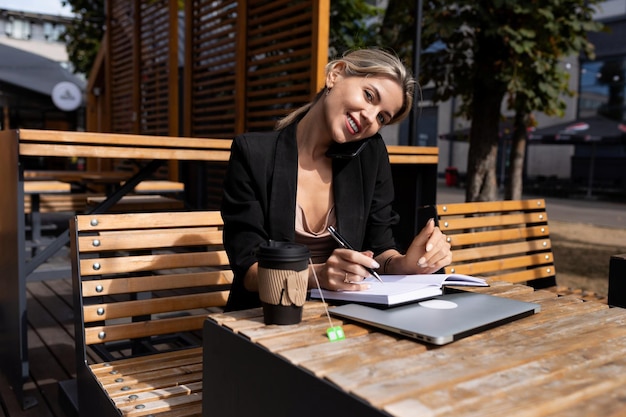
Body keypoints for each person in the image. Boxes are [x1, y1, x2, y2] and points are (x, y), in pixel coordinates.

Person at [221, 48, 452, 311]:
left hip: (344, 322)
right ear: (336, 74)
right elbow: (249, 272)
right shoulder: (253, 154)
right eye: (369, 95)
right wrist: (314, 276)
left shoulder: (369, 154)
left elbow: (381, 248)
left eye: (381, 117)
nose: (369, 117)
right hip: (264, 319)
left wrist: (407, 264)